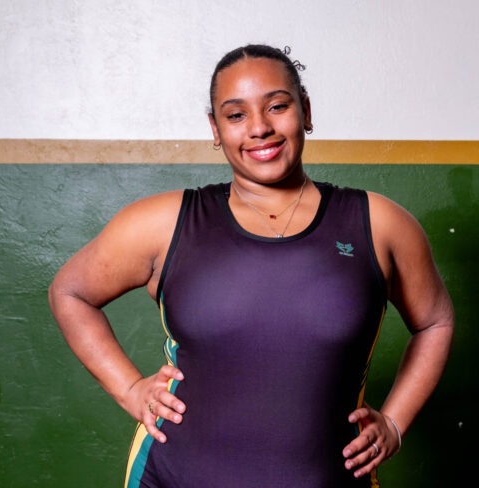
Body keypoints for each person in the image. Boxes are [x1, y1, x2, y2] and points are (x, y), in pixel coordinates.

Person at [48, 44, 454, 487]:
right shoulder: (164, 223)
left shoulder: (380, 224)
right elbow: (70, 291)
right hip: (172, 476)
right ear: (216, 129)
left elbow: (435, 322)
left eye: (277, 106)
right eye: (236, 115)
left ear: (307, 111)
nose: (260, 128)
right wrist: (129, 389)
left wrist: (393, 423)